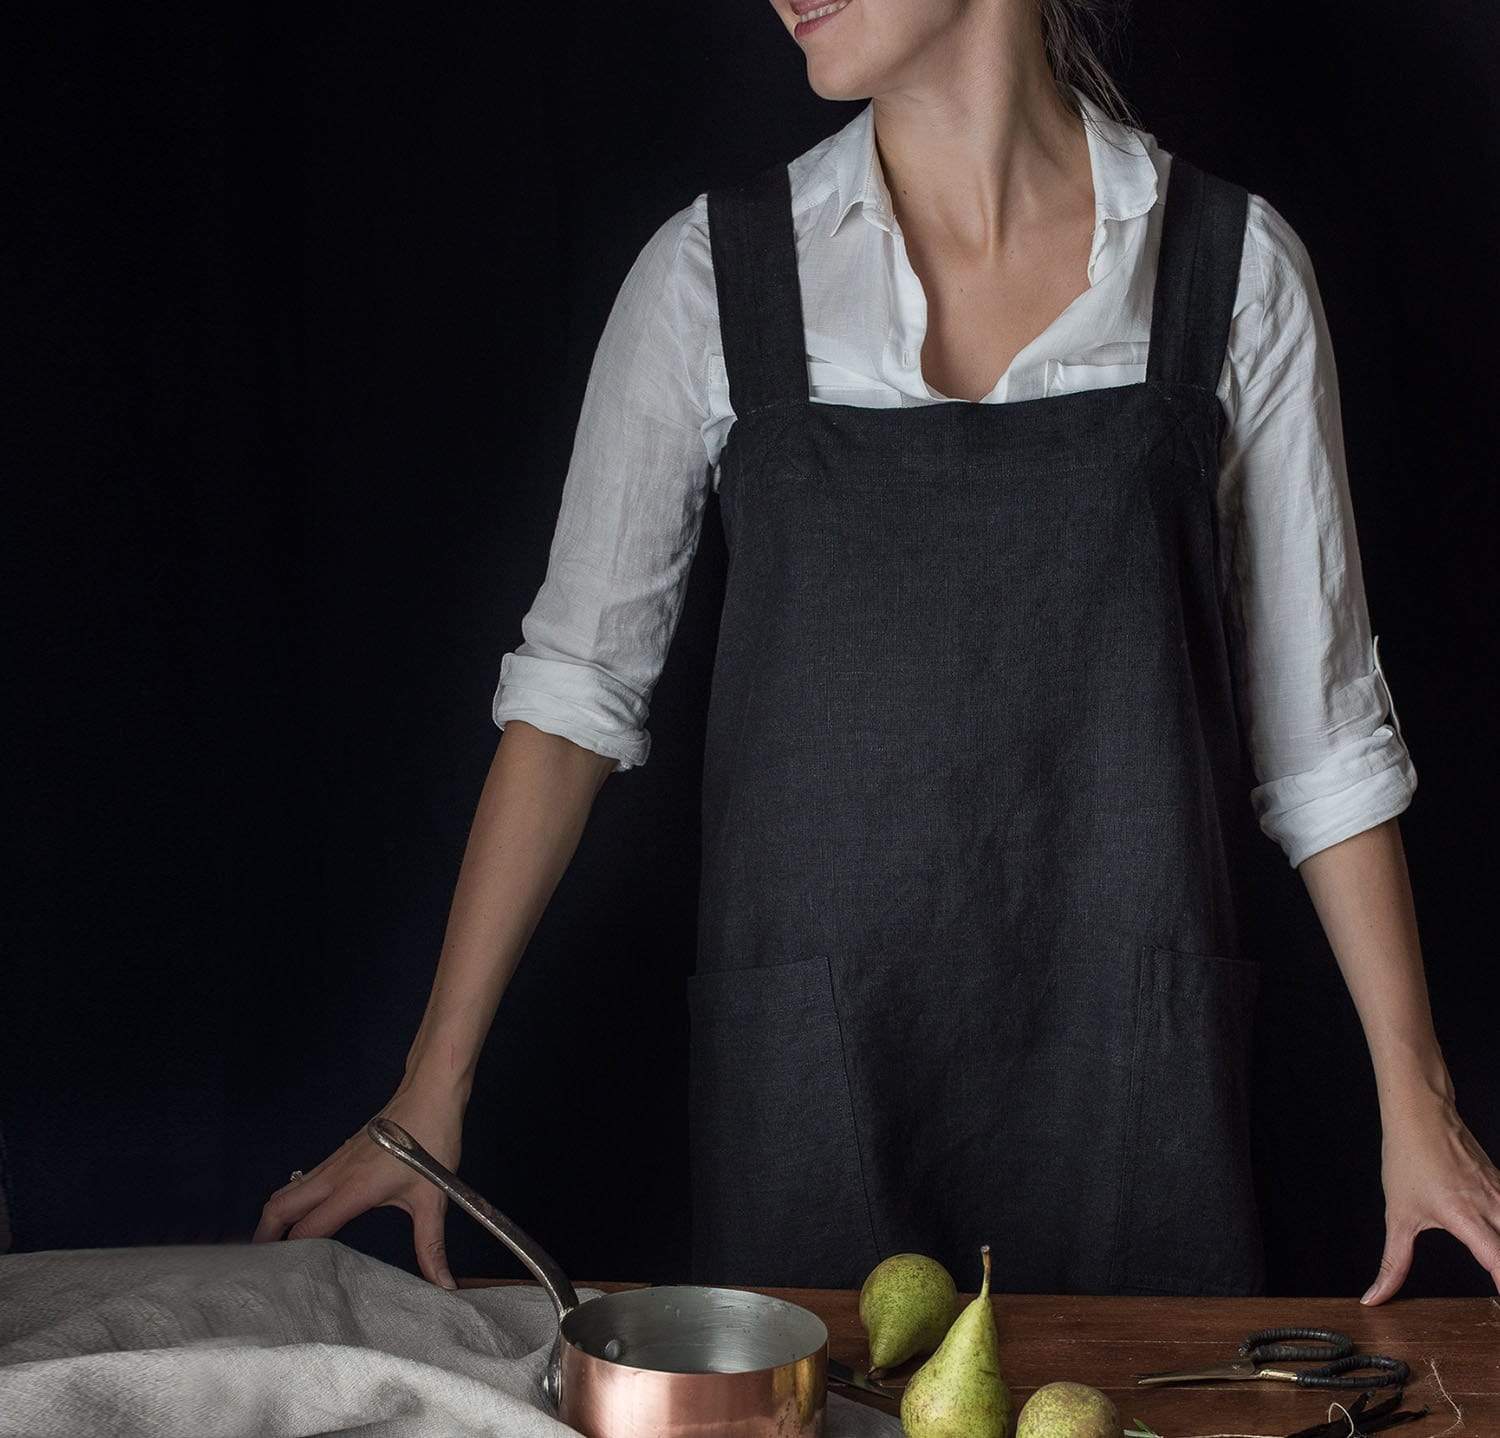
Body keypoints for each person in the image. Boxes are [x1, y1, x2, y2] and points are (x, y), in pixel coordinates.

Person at [255, 0, 1500, 1300]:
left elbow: (1322, 738)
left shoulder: (1230, 268)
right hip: (815, 1080)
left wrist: (1417, 1107)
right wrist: (429, 1089)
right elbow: (573, 696)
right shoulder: (710, 274)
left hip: (1136, 1078)